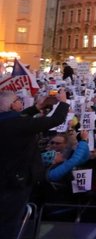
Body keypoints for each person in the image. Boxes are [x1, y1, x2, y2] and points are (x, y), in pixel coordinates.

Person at [0, 90, 69, 231]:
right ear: (13, 105)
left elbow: (19, 118)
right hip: (16, 180)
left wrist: (37, 108)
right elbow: (55, 120)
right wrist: (63, 102)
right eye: (18, 99)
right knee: (8, 224)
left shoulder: (7, 121)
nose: (21, 101)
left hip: (5, 177)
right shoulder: (18, 124)